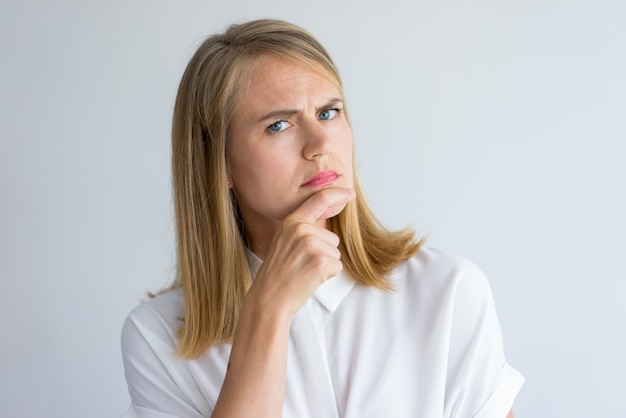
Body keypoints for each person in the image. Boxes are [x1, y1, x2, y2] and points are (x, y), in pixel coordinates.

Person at [121, 19, 524, 418]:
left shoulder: (448, 293)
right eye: (279, 124)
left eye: (329, 113)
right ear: (219, 163)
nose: (320, 144)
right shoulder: (157, 338)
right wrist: (269, 310)